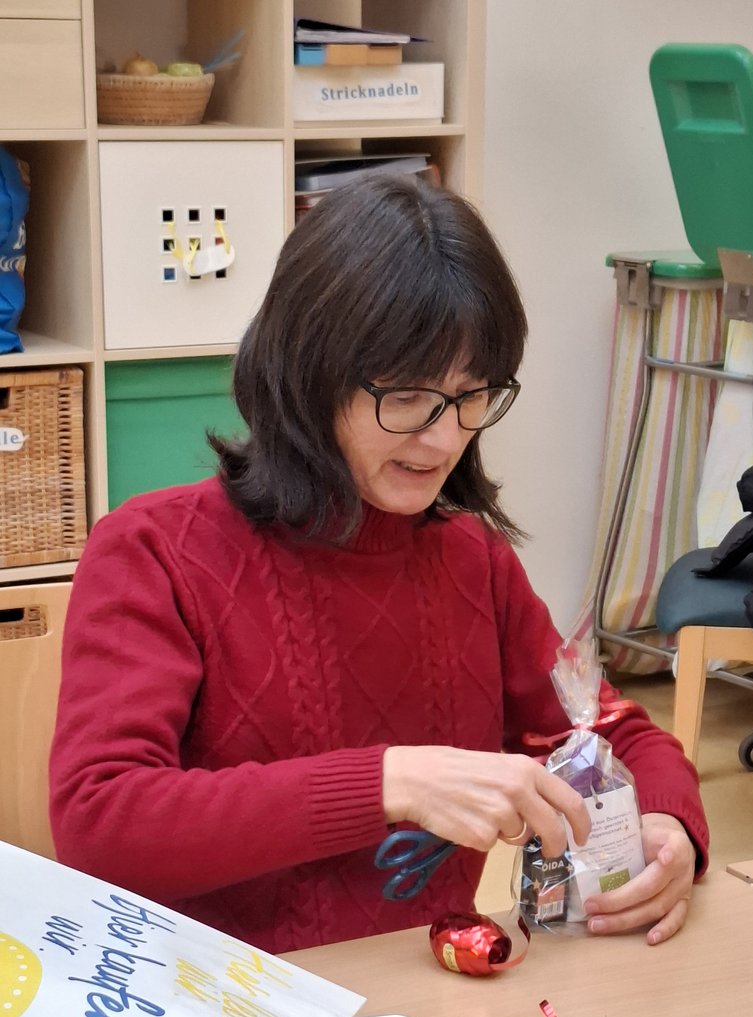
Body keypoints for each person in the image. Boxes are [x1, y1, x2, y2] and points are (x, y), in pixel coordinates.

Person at [49, 174, 709, 955]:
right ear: (307, 371)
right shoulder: (153, 552)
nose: (443, 437)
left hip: (426, 1002)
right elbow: (99, 822)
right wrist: (388, 784)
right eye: (406, 397)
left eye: (472, 395)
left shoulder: (472, 561)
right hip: (213, 1016)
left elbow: (609, 732)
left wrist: (667, 827)